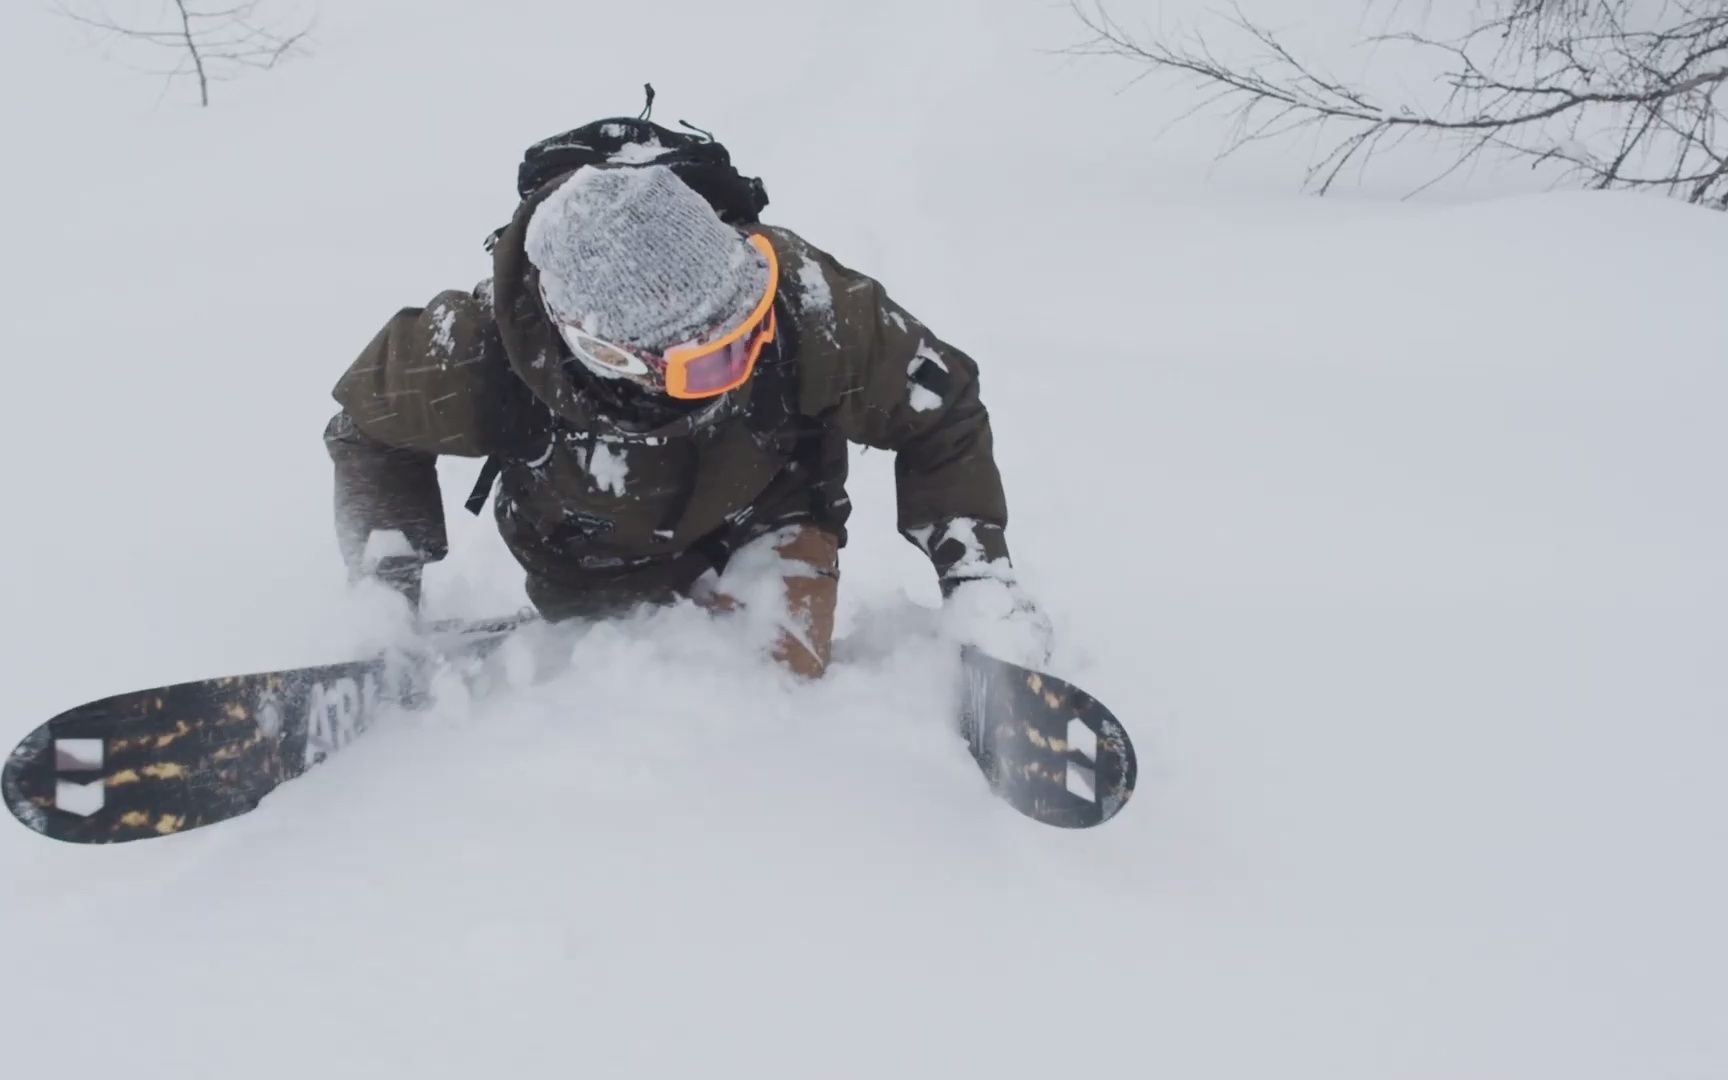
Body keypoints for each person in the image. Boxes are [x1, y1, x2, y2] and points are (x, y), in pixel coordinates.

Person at [325, 156, 1050, 678]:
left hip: (770, 509)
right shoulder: (473, 352)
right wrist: (387, 587)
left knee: (782, 683)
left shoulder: (802, 300)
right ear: (601, 351)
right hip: (587, 553)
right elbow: (366, 432)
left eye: (751, 330)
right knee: (618, 689)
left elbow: (941, 408)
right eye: (710, 359)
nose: (744, 358)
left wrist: (977, 576)